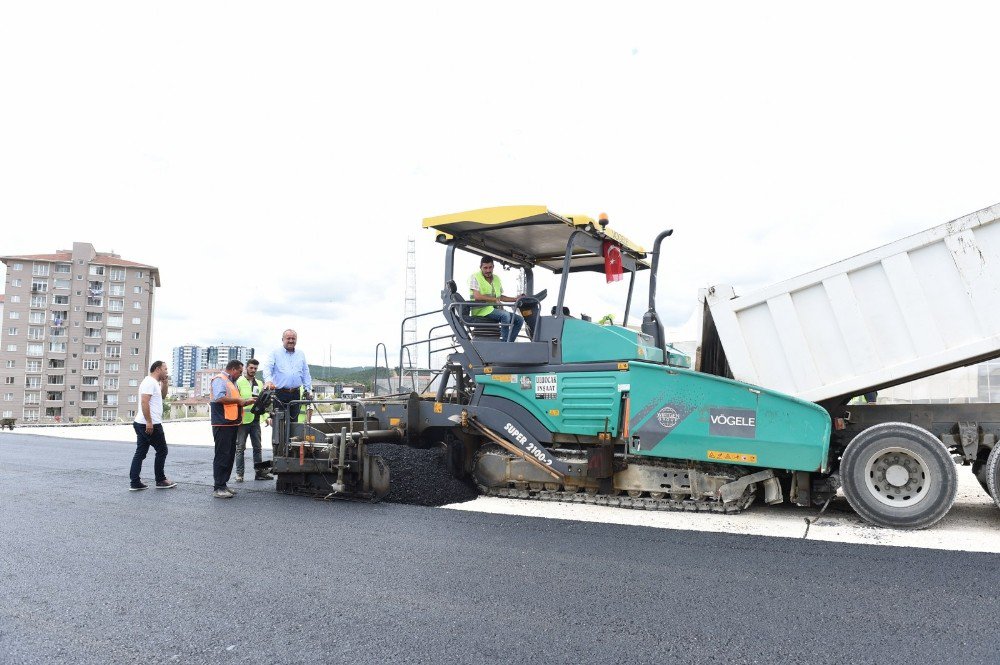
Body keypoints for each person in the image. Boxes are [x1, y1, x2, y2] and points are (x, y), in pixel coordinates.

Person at [211, 360, 256, 499]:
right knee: (222, 455)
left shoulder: (230, 381)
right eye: (240, 371)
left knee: (229, 455)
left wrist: (245, 401)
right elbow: (219, 398)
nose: (240, 374)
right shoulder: (220, 379)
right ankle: (218, 487)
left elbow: (234, 400)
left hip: (231, 423)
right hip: (222, 423)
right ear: (233, 369)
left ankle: (223, 484)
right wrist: (239, 401)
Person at [129, 360, 176, 491]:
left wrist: (165, 383)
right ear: (158, 369)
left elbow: (162, 396)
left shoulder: (154, 383)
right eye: (165, 369)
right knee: (162, 450)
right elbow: (145, 402)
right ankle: (160, 480)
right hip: (150, 424)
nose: (167, 371)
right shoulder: (149, 382)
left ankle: (135, 482)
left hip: (143, 423)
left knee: (141, 452)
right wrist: (149, 422)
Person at [470, 255, 523, 342]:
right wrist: (494, 300)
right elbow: (477, 296)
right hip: (481, 310)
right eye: (485, 268)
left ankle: (509, 342)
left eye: (490, 267)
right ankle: (504, 343)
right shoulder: (475, 277)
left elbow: (500, 296)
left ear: (493, 267)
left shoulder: (496, 279)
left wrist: (515, 299)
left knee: (519, 320)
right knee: (505, 315)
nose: (488, 270)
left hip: (493, 309)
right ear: (481, 267)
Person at [235, 359, 271, 482]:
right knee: (240, 448)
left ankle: (259, 473)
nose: (253, 370)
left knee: (257, 448)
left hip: (255, 420)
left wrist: (265, 417)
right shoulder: (238, 382)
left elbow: (263, 403)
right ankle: (240, 475)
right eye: (251, 368)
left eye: (255, 368)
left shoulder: (259, 383)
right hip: (242, 421)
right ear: (246, 368)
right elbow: (235, 401)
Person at [265, 329, 313, 422]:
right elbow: (268, 368)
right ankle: (280, 437)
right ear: (282, 339)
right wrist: (268, 380)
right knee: (279, 424)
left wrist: (308, 389)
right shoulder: (275, 353)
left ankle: (292, 437)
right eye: (288, 338)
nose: (291, 340)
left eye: (293, 338)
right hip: (280, 393)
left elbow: (305, 372)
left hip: (295, 394)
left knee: (294, 424)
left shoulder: (301, 354)